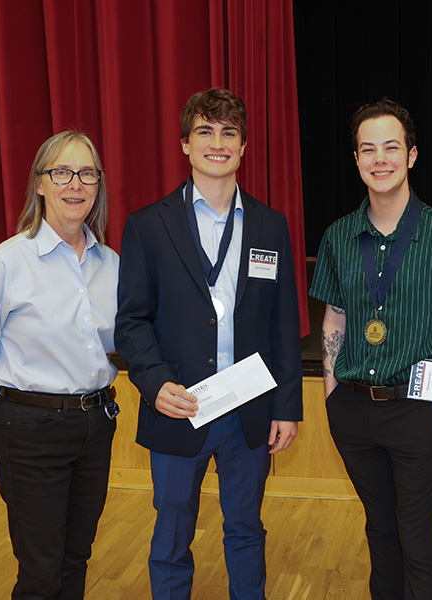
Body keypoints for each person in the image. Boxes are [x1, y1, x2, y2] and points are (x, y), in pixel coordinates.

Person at [114, 87, 302, 600]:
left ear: (243, 147)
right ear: (185, 144)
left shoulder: (271, 225)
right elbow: (132, 322)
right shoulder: (147, 226)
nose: (217, 143)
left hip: (249, 410)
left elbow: (284, 324)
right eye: (205, 131)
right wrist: (155, 384)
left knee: (246, 529)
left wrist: (287, 407)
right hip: (179, 407)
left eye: (228, 133)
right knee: (172, 535)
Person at [309, 98, 432, 600]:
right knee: (380, 533)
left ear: (411, 155)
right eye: (368, 150)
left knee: (419, 541)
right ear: (356, 160)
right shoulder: (338, 237)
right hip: (352, 410)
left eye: (391, 147)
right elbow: (335, 318)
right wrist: (331, 394)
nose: (380, 159)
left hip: (419, 411)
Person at [0, 131, 120, 599]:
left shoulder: (111, 264)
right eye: (61, 172)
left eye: (87, 173)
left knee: (76, 556)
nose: (75, 184)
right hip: (29, 431)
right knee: (41, 569)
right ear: (40, 184)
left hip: (96, 425)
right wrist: (9, 410)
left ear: (98, 185)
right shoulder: (7, 263)